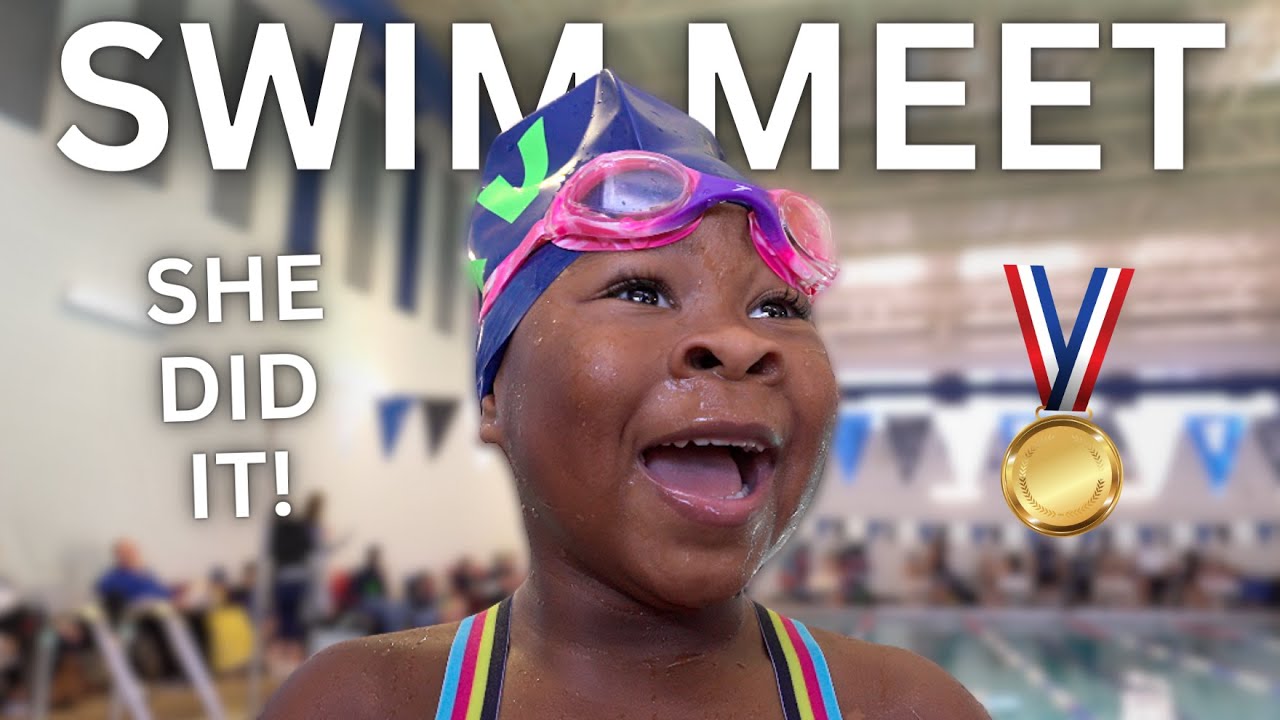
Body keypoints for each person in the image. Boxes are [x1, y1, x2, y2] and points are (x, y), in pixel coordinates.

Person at [264, 70, 988, 719]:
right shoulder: (363, 705)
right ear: (494, 396)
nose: (740, 342)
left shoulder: (910, 709)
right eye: (641, 290)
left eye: (778, 309)